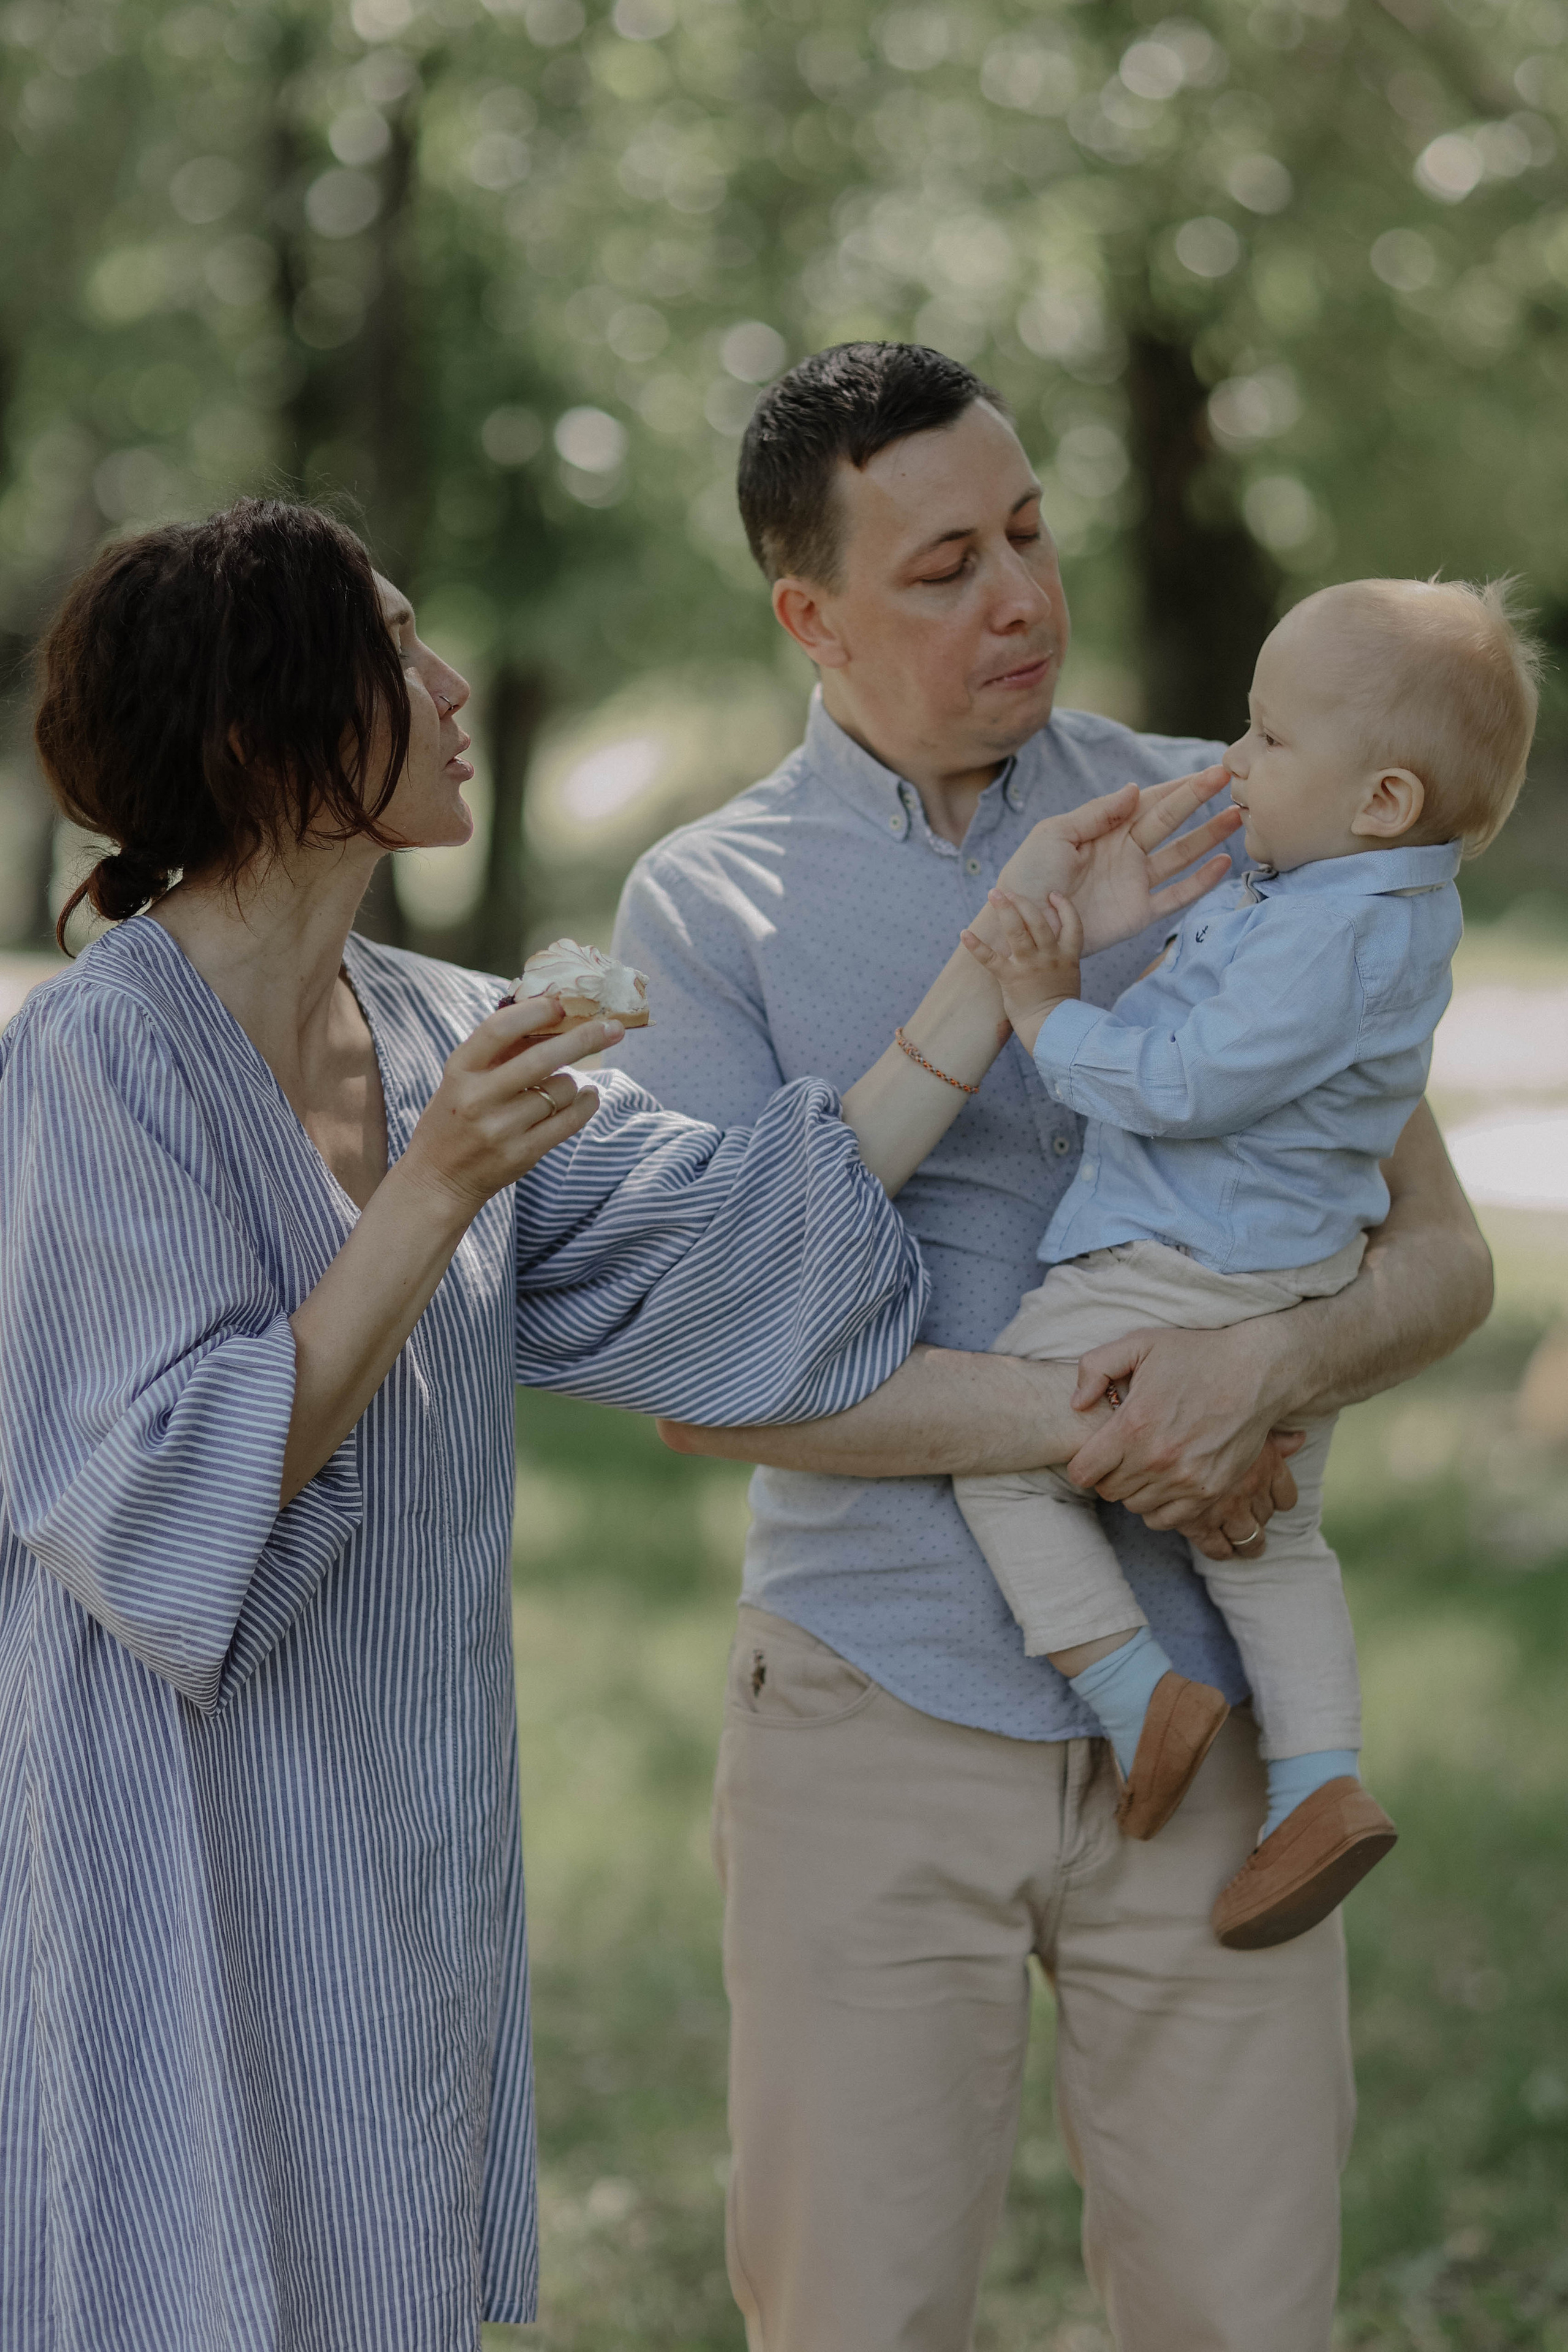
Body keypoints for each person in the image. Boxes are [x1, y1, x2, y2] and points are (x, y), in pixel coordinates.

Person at [0, 497, 1225, 2352]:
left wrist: (998, 964)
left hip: (392, 1816)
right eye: (391, 650)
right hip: (165, 1830)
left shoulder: (446, 1033)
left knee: (372, 2267)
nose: (451, 686)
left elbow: (746, 1248)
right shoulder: (95, 1062)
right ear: (260, 738)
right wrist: (430, 1195)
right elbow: (166, 1507)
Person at [608, 347, 1494, 2352]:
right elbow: (704, 1377)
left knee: (1247, 2320)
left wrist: (1272, 1371)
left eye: (1028, 532)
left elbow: (1444, 1259)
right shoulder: (709, 909)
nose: (1019, 594)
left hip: (1222, 1730)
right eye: (944, 568)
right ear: (810, 615)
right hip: (871, 1708)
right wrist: (1114, 1419)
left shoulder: (1243, 813)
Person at [952, 575, 1536, 1952]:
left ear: (1380, 801)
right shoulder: (1358, 900)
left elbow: (1184, 1082)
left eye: (1269, 738)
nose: (1232, 759)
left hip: (1186, 1264)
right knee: (1269, 1542)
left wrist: (1043, 1013)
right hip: (1290, 1273)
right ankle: (1319, 1783)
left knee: (999, 1451)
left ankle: (1133, 1691)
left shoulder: (1334, 936)